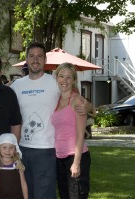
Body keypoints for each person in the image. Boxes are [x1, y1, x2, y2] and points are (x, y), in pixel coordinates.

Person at [10, 42, 91, 199]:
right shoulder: (17, 86)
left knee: (45, 194)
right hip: (22, 149)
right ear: (26, 59)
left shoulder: (55, 83)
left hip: (47, 149)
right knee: (26, 192)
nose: (35, 60)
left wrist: (89, 106)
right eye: (31, 56)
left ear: (45, 60)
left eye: (40, 56)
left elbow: (75, 98)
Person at [52, 62, 91, 199]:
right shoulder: (55, 100)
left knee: (76, 196)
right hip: (58, 158)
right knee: (64, 195)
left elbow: (81, 135)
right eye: (61, 76)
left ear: (74, 80)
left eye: (69, 77)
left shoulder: (78, 101)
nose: (65, 80)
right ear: (57, 78)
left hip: (74, 157)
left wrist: (76, 162)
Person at [0, 133, 28, 199]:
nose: (8, 151)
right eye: (4, 147)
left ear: (15, 149)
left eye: (11, 147)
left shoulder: (18, 164)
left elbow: (23, 183)